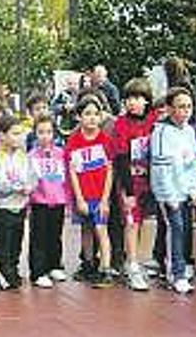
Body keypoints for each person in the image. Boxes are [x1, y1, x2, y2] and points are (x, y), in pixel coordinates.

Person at [150, 87, 196, 295]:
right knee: (176, 228)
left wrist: (194, 189)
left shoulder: (190, 131)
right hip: (168, 193)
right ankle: (177, 274)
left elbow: (193, 163)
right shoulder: (161, 132)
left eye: (189, 107)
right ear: (170, 109)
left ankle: (170, 264)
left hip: (185, 192)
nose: (185, 111)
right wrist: (168, 195)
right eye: (181, 107)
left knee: (184, 228)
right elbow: (161, 167)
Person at [111, 78, 158, 291]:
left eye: (138, 98)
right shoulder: (121, 124)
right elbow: (120, 157)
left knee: (145, 223)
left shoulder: (154, 122)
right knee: (131, 222)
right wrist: (128, 190)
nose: (132, 102)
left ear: (147, 101)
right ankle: (131, 265)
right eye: (129, 98)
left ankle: (139, 259)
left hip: (150, 183)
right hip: (128, 182)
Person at [66, 96, 116, 288]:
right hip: (83, 197)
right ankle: (88, 265)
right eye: (87, 114)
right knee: (86, 230)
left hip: (100, 195)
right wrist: (79, 199)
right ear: (79, 117)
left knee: (100, 229)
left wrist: (105, 199)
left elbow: (110, 170)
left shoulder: (105, 140)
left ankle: (105, 268)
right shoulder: (74, 141)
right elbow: (73, 171)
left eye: (96, 114)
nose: (92, 118)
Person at [0, 114, 38, 290]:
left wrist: (30, 186)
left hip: (20, 206)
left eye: (20, 133)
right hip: (2, 207)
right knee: (3, 242)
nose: (19, 137)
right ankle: (1, 270)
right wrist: (13, 188)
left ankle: (12, 268)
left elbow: (32, 176)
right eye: (14, 133)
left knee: (17, 240)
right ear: (2, 135)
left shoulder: (23, 156)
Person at [28, 115, 69, 288]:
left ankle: (54, 265)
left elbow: (66, 178)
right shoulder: (31, 156)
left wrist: (67, 200)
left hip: (58, 201)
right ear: (35, 134)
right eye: (41, 132)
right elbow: (29, 180)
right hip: (39, 202)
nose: (45, 136)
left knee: (55, 235)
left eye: (49, 132)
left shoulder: (61, 154)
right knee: (39, 237)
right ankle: (38, 271)